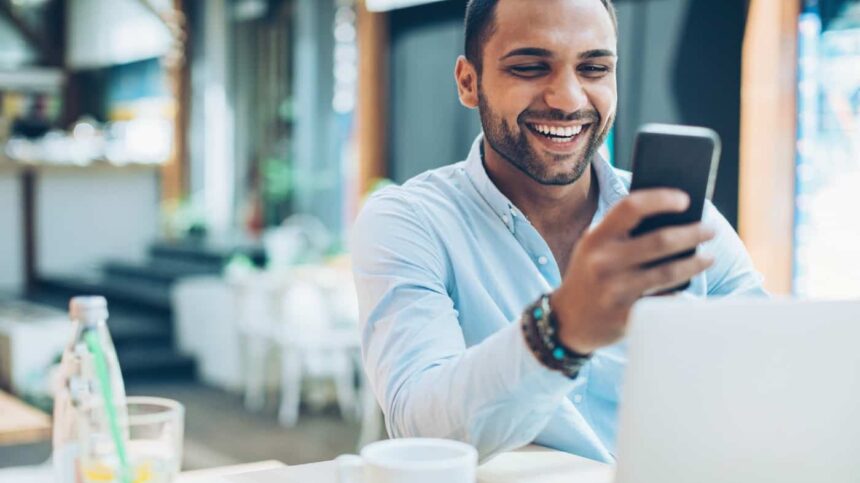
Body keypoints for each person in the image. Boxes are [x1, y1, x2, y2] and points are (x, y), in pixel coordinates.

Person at [351, 0, 765, 462]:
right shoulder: (411, 221)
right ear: (469, 82)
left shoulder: (691, 225)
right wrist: (561, 328)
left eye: (593, 68)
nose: (568, 100)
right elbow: (420, 427)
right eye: (529, 67)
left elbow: (769, 378)